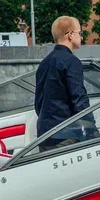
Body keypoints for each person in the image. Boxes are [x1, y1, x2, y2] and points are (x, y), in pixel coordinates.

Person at [34, 15, 92, 150]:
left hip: (44, 135)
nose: (82, 37)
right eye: (80, 33)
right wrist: (92, 129)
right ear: (71, 35)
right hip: (65, 136)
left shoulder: (44, 63)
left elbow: (38, 103)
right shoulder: (71, 62)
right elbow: (79, 99)